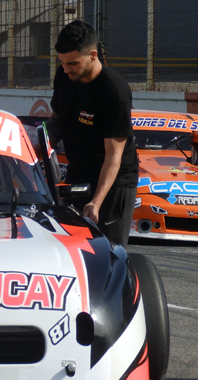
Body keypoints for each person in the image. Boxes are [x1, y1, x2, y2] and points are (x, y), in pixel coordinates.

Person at [48, 20, 139, 248]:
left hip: (114, 182)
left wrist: (96, 203)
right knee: (73, 250)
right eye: (62, 63)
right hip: (78, 175)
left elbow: (114, 156)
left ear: (93, 55)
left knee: (108, 253)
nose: (66, 69)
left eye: (73, 64)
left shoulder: (114, 91)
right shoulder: (64, 75)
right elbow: (56, 120)